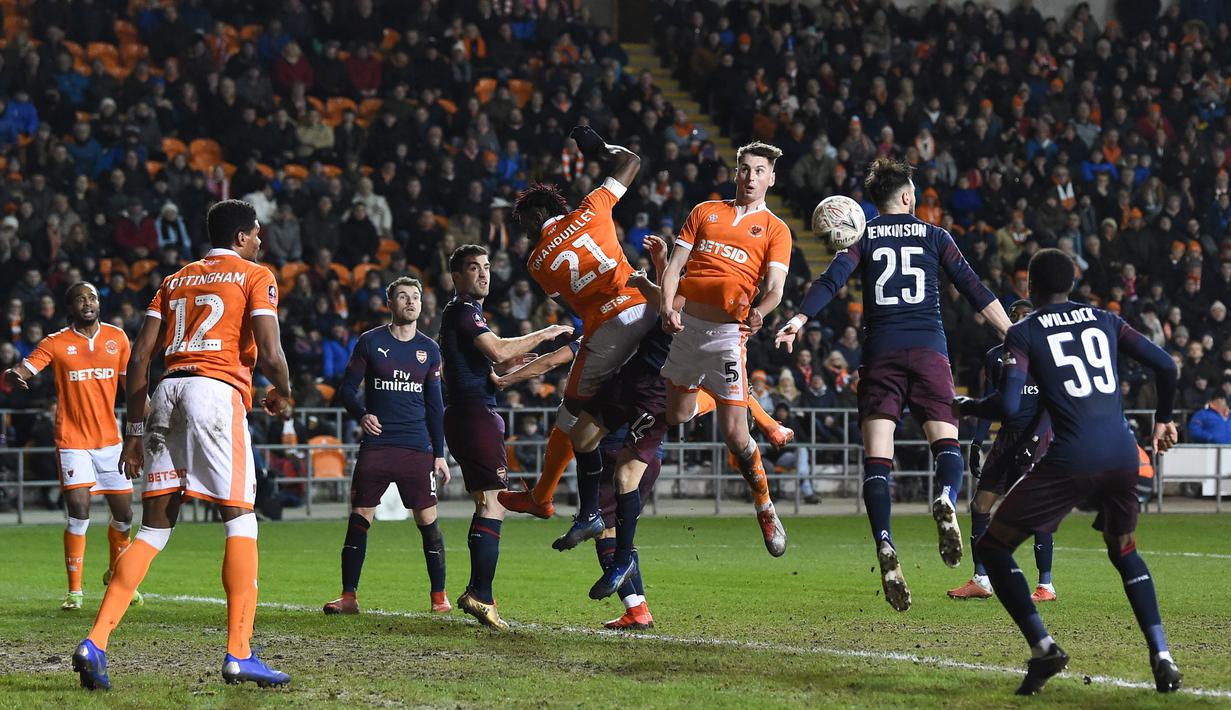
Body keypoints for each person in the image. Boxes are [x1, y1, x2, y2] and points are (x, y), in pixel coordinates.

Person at [72, 200, 295, 690]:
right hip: (215, 393)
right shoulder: (255, 274)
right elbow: (272, 350)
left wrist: (133, 434)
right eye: (257, 233)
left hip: (167, 391)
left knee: (154, 530)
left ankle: (95, 642)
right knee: (240, 517)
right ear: (241, 237)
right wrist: (283, 390)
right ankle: (239, 653)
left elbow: (139, 360)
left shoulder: (174, 281)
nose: (260, 241)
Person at [775, 157, 1011, 611]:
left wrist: (800, 318)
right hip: (928, 350)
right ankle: (943, 496)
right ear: (906, 196)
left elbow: (832, 280)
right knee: (946, 443)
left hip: (880, 353)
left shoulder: (862, 236)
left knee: (877, 460)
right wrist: (1013, 335)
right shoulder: (935, 235)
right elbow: (974, 289)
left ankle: (884, 543)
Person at [977, 248, 1181, 695]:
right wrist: (1164, 418)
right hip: (1124, 454)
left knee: (993, 547)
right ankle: (1162, 654)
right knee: (1124, 551)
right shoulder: (1105, 319)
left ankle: (1043, 647)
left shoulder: (1024, 331)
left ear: (1030, 287)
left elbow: (1011, 406)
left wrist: (970, 406)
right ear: (1072, 284)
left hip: (1071, 458)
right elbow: (1166, 365)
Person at [506, 125, 658, 552]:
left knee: (572, 414)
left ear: (536, 217)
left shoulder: (536, 262)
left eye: (524, 224)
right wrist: (601, 148)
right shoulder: (593, 206)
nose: (524, 232)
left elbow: (569, 296)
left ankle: (580, 508)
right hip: (647, 308)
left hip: (608, 328)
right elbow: (633, 162)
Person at [658, 141, 793, 557]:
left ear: (771, 177)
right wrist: (666, 304)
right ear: (735, 172)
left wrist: (760, 312)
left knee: (736, 437)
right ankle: (729, 398)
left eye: (759, 171)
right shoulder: (705, 212)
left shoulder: (775, 229)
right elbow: (676, 268)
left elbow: (774, 291)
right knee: (677, 416)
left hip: (727, 337)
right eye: (744, 169)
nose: (750, 177)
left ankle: (765, 506)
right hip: (687, 327)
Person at [438, 244, 573, 630]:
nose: (483, 274)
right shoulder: (463, 311)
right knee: (494, 504)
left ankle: (479, 592)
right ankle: (481, 594)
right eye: (473, 268)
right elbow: (497, 351)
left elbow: (495, 373)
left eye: (486, 267)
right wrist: (546, 333)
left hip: (471, 413)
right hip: (474, 415)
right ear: (457, 278)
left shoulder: (469, 314)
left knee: (486, 502)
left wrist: (530, 366)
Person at [3, 282, 140, 611]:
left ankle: (116, 574)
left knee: (124, 515)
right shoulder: (56, 342)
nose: (88, 302)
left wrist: (152, 410)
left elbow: (132, 384)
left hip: (110, 441)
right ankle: (75, 591)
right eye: (80, 298)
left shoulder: (117, 338)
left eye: (92, 296)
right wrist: (14, 373)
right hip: (73, 440)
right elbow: (29, 366)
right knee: (79, 510)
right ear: (71, 307)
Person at [322, 277, 451, 616]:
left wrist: (440, 454)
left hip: (416, 449)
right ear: (390, 303)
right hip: (377, 447)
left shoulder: (430, 350)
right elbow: (347, 390)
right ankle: (348, 597)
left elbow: (436, 407)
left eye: (416, 297)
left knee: (428, 520)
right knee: (360, 516)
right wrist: (362, 415)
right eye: (403, 297)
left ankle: (439, 597)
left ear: (422, 306)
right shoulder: (370, 342)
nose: (410, 302)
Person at [948, 300, 1058, 603]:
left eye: (1025, 316)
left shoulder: (1045, 355)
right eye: (1015, 316)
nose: (1019, 321)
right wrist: (976, 441)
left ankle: (1046, 585)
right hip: (1006, 439)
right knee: (980, 505)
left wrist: (1035, 442)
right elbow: (990, 400)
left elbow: (1050, 404)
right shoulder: (995, 357)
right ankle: (981, 579)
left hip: (1036, 438)